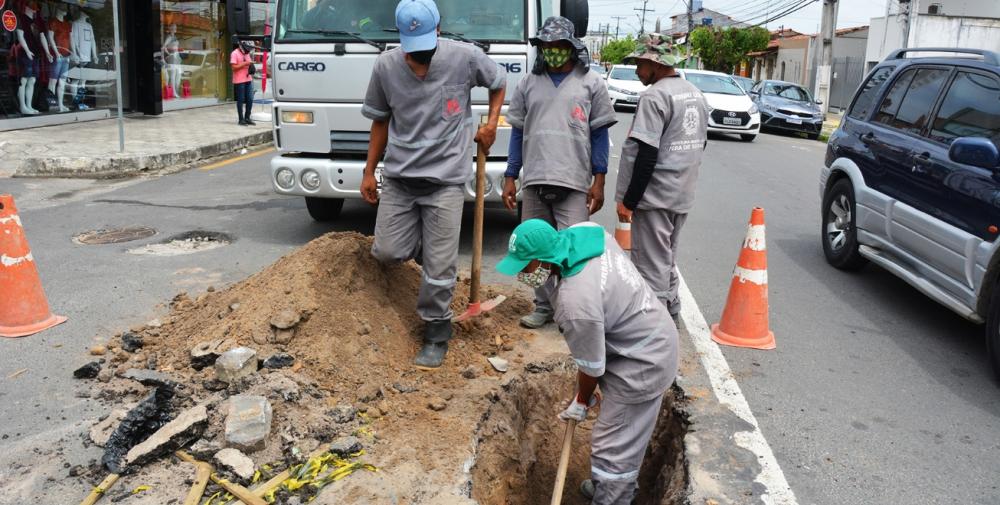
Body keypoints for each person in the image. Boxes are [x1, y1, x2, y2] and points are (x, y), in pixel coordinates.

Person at [360, 0, 506, 369]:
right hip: (400, 179)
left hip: (445, 181)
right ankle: (429, 251)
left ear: (437, 31)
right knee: (388, 252)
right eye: (412, 52)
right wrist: (368, 171)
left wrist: (490, 124)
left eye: (424, 50)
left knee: (440, 268)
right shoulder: (386, 67)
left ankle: (437, 332)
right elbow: (380, 122)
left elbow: (499, 82)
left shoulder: (464, 58)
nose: (418, 60)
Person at [495, 219, 678, 504]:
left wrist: (581, 400)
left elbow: (592, 367)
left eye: (525, 266)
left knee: (613, 447)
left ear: (544, 260)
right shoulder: (587, 232)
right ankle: (609, 484)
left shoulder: (575, 304)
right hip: (643, 329)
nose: (520, 273)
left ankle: (613, 495)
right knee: (619, 437)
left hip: (644, 360)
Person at [502, 16, 616, 330]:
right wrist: (511, 175)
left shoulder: (592, 83)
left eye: (558, 45)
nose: (552, 50)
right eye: (546, 45)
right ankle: (543, 306)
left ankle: (576, 310)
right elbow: (517, 133)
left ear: (571, 47)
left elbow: (599, 135)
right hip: (536, 177)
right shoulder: (528, 83)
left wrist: (599, 180)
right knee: (535, 248)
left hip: (575, 180)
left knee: (575, 251)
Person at [614, 33, 707, 319]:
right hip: (681, 194)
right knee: (666, 260)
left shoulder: (655, 96)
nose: (638, 71)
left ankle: (657, 333)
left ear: (656, 64)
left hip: (655, 197)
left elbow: (646, 154)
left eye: (640, 64)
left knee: (651, 268)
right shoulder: (694, 93)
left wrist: (629, 201)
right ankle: (674, 313)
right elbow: (701, 144)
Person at [230, 39, 255, 126]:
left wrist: (251, 65)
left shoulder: (247, 53)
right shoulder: (234, 53)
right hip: (239, 80)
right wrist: (245, 63)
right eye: (247, 49)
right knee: (240, 100)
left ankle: (247, 117)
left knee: (250, 99)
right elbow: (233, 67)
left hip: (248, 79)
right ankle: (241, 119)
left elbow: (248, 63)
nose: (248, 51)